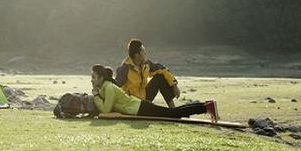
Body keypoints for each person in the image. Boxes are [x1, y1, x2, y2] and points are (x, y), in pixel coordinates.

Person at [91, 64, 220, 121]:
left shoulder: (108, 88)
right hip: (139, 106)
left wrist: (96, 96)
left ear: (101, 78)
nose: (91, 80)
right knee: (173, 113)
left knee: (174, 114)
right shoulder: (105, 88)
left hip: (140, 109)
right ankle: (206, 106)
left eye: (94, 77)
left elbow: (106, 110)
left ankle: (206, 107)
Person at [116, 39, 180, 108]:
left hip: (145, 98)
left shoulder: (146, 64)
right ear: (137, 55)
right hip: (132, 103)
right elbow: (115, 89)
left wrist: (174, 86)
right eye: (143, 51)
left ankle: (173, 109)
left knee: (160, 77)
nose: (145, 53)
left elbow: (163, 69)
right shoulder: (124, 69)